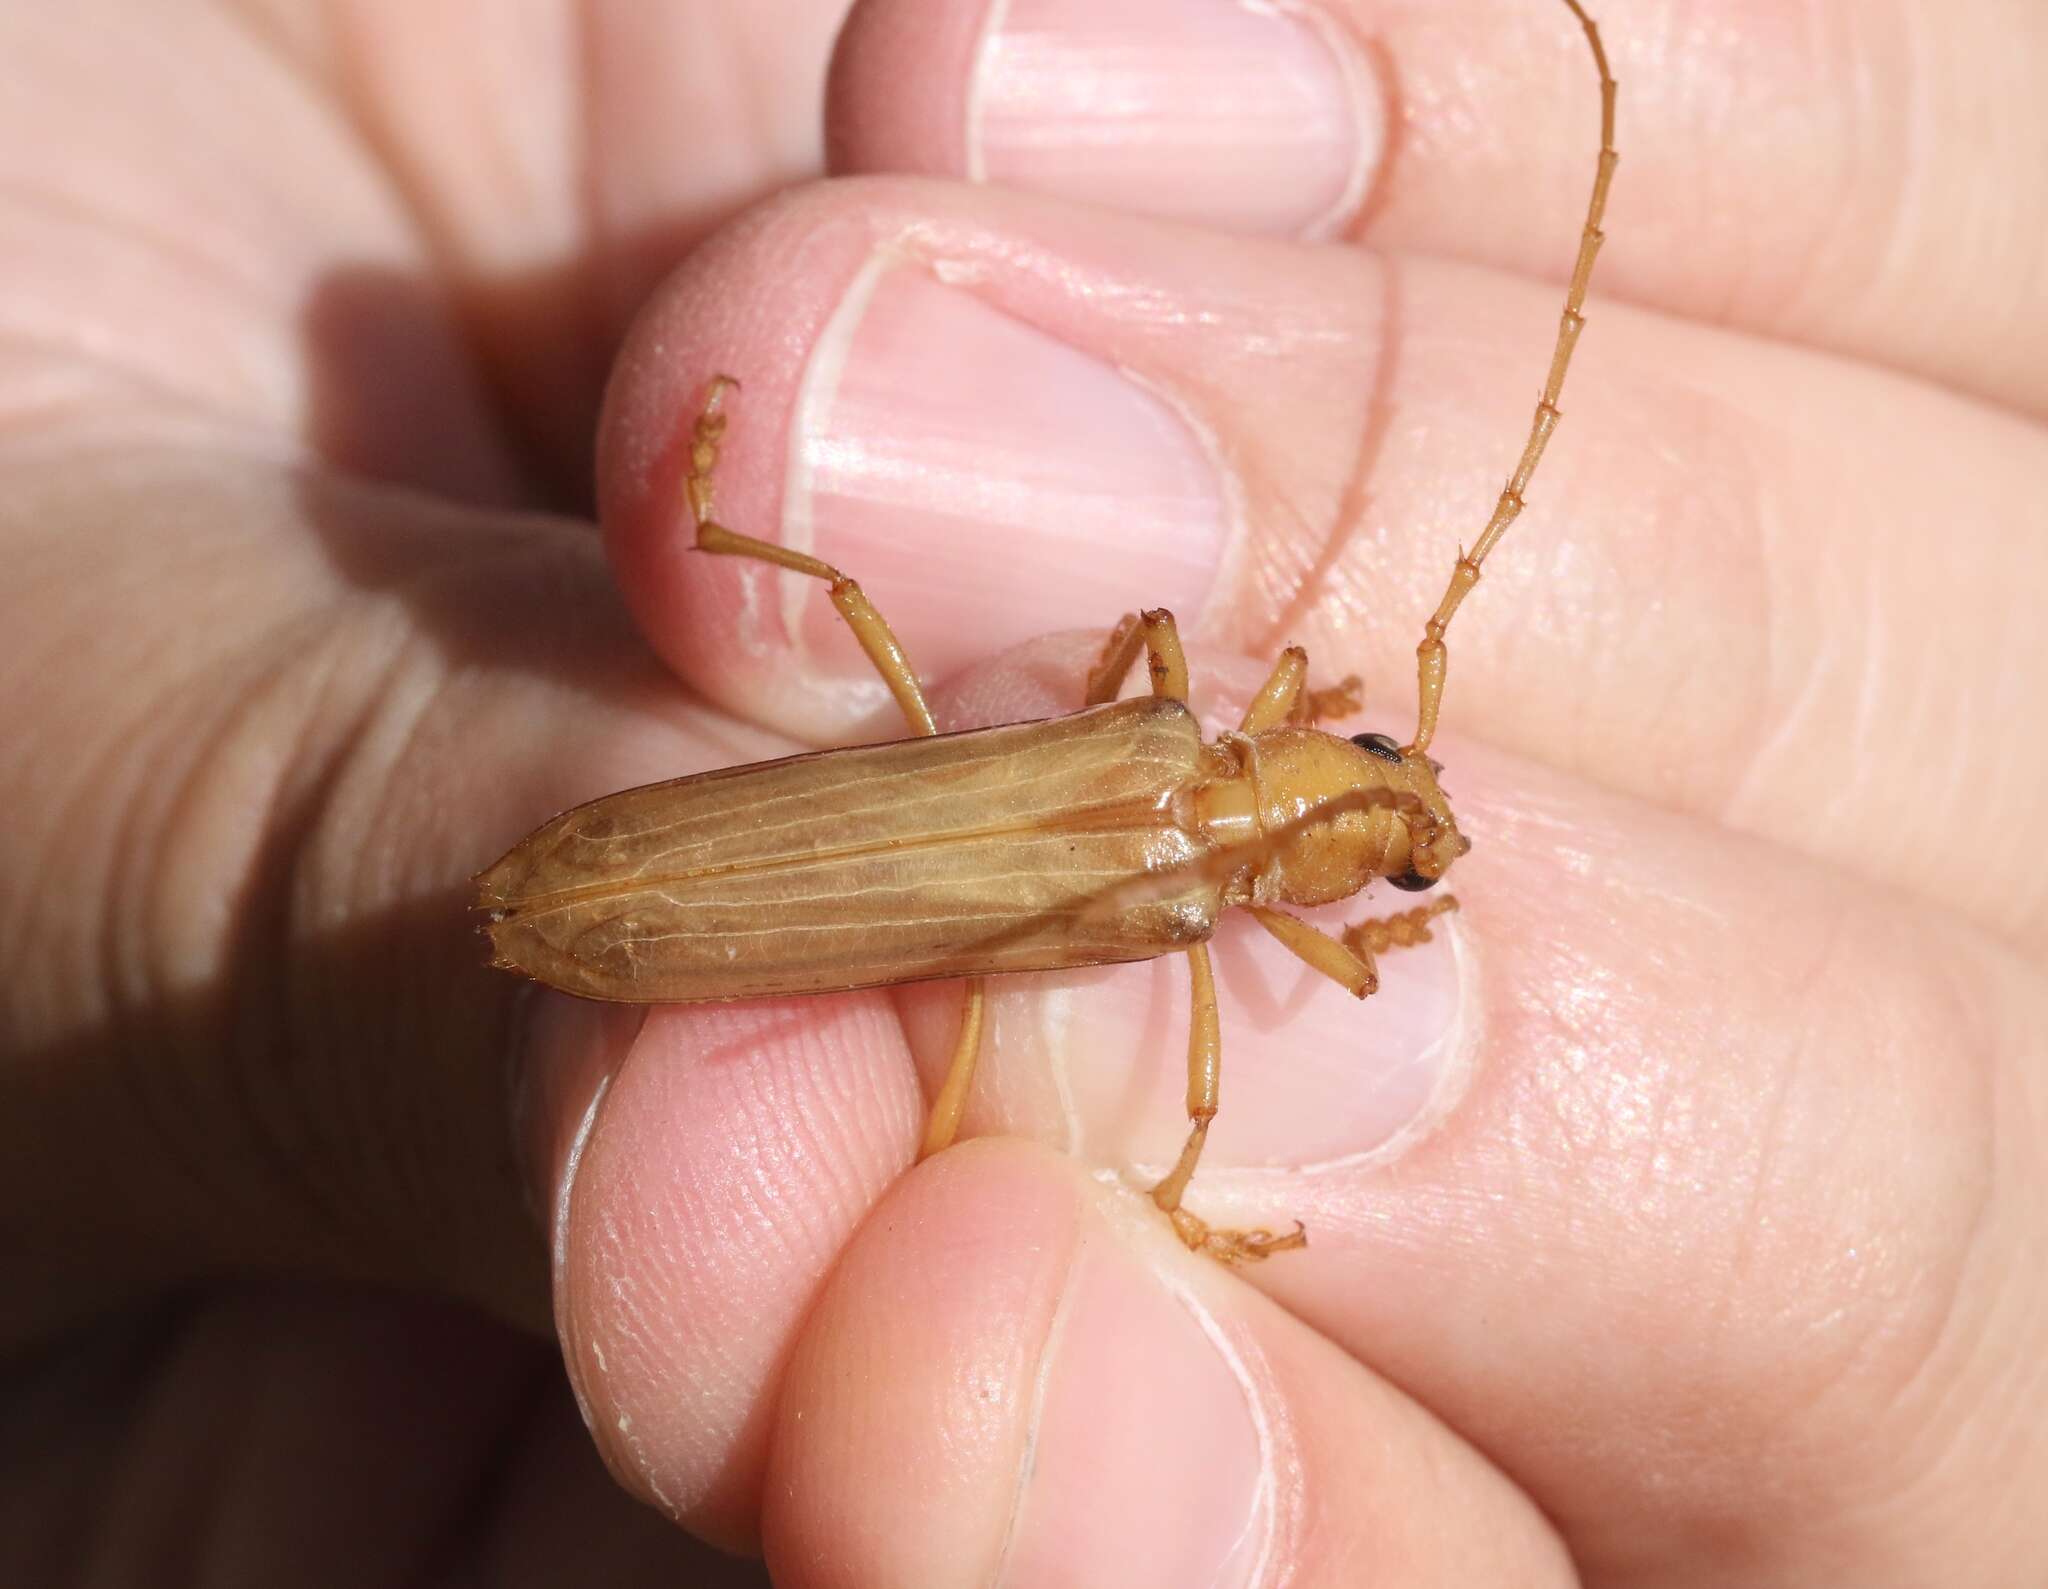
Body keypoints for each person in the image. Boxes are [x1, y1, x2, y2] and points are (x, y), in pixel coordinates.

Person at [4, 0, 2043, 1582]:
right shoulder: (1193, 896)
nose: (1388, 789)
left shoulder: (1170, 758)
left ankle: (738, 536)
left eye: (1380, 787)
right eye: (1385, 777)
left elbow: (1197, 723)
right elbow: (1321, 978)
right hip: (658, 884)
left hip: (669, 889)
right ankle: (1125, 1177)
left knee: (905, 789)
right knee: (1009, 1084)